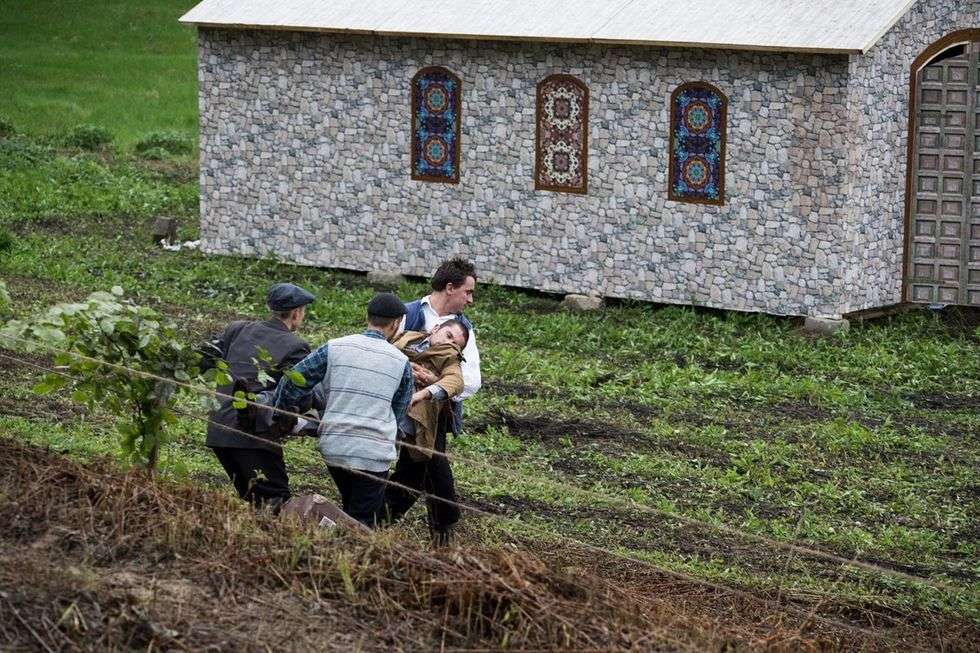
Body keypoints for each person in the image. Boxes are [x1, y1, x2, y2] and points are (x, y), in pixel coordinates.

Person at [272, 293, 414, 527]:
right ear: (396, 323)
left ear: (368, 317)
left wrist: (280, 415)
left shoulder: (335, 347)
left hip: (335, 448)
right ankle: (344, 556)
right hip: (373, 455)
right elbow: (399, 411)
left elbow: (292, 380)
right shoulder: (401, 362)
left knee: (350, 512)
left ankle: (330, 544)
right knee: (362, 524)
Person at [382, 257, 481, 544]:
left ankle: (374, 520)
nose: (470, 300)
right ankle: (441, 527)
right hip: (394, 406)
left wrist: (436, 384)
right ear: (450, 288)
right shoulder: (405, 314)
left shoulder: (464, 328)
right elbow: (381, 349)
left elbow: (471, 380)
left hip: (433, 414)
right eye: (468, 292)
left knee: (417, 470)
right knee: (427, 471)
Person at [204, 282, 316, 513]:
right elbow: (298, 393)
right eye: (303, 312)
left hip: (218, 429)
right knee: (276, 501)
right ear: (296, 313)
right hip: (251, 434)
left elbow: (204, 358)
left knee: (254, 500)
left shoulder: (236, 328)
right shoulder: (296, 345)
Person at [392, 320, 468, 463]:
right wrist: (405, 367)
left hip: (409, 416)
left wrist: (422, 394)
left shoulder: (450, 358)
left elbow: (456, 381)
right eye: (448, 335)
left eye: (454, 344)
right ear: (435, 328)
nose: (447, 342)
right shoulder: (407, 337)